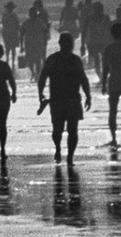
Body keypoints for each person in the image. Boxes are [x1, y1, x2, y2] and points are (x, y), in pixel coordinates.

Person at [36, 32, 91, 162]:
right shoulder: (73, 60)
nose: (69, 45)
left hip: (60, 99)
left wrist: (40, 93)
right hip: (68, 99)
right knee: (69, 129)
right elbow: (83, 79)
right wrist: (88, 96)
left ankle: (64, 152)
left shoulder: (54, 59)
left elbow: (43, 77)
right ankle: (64, 153)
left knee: (60, 129)